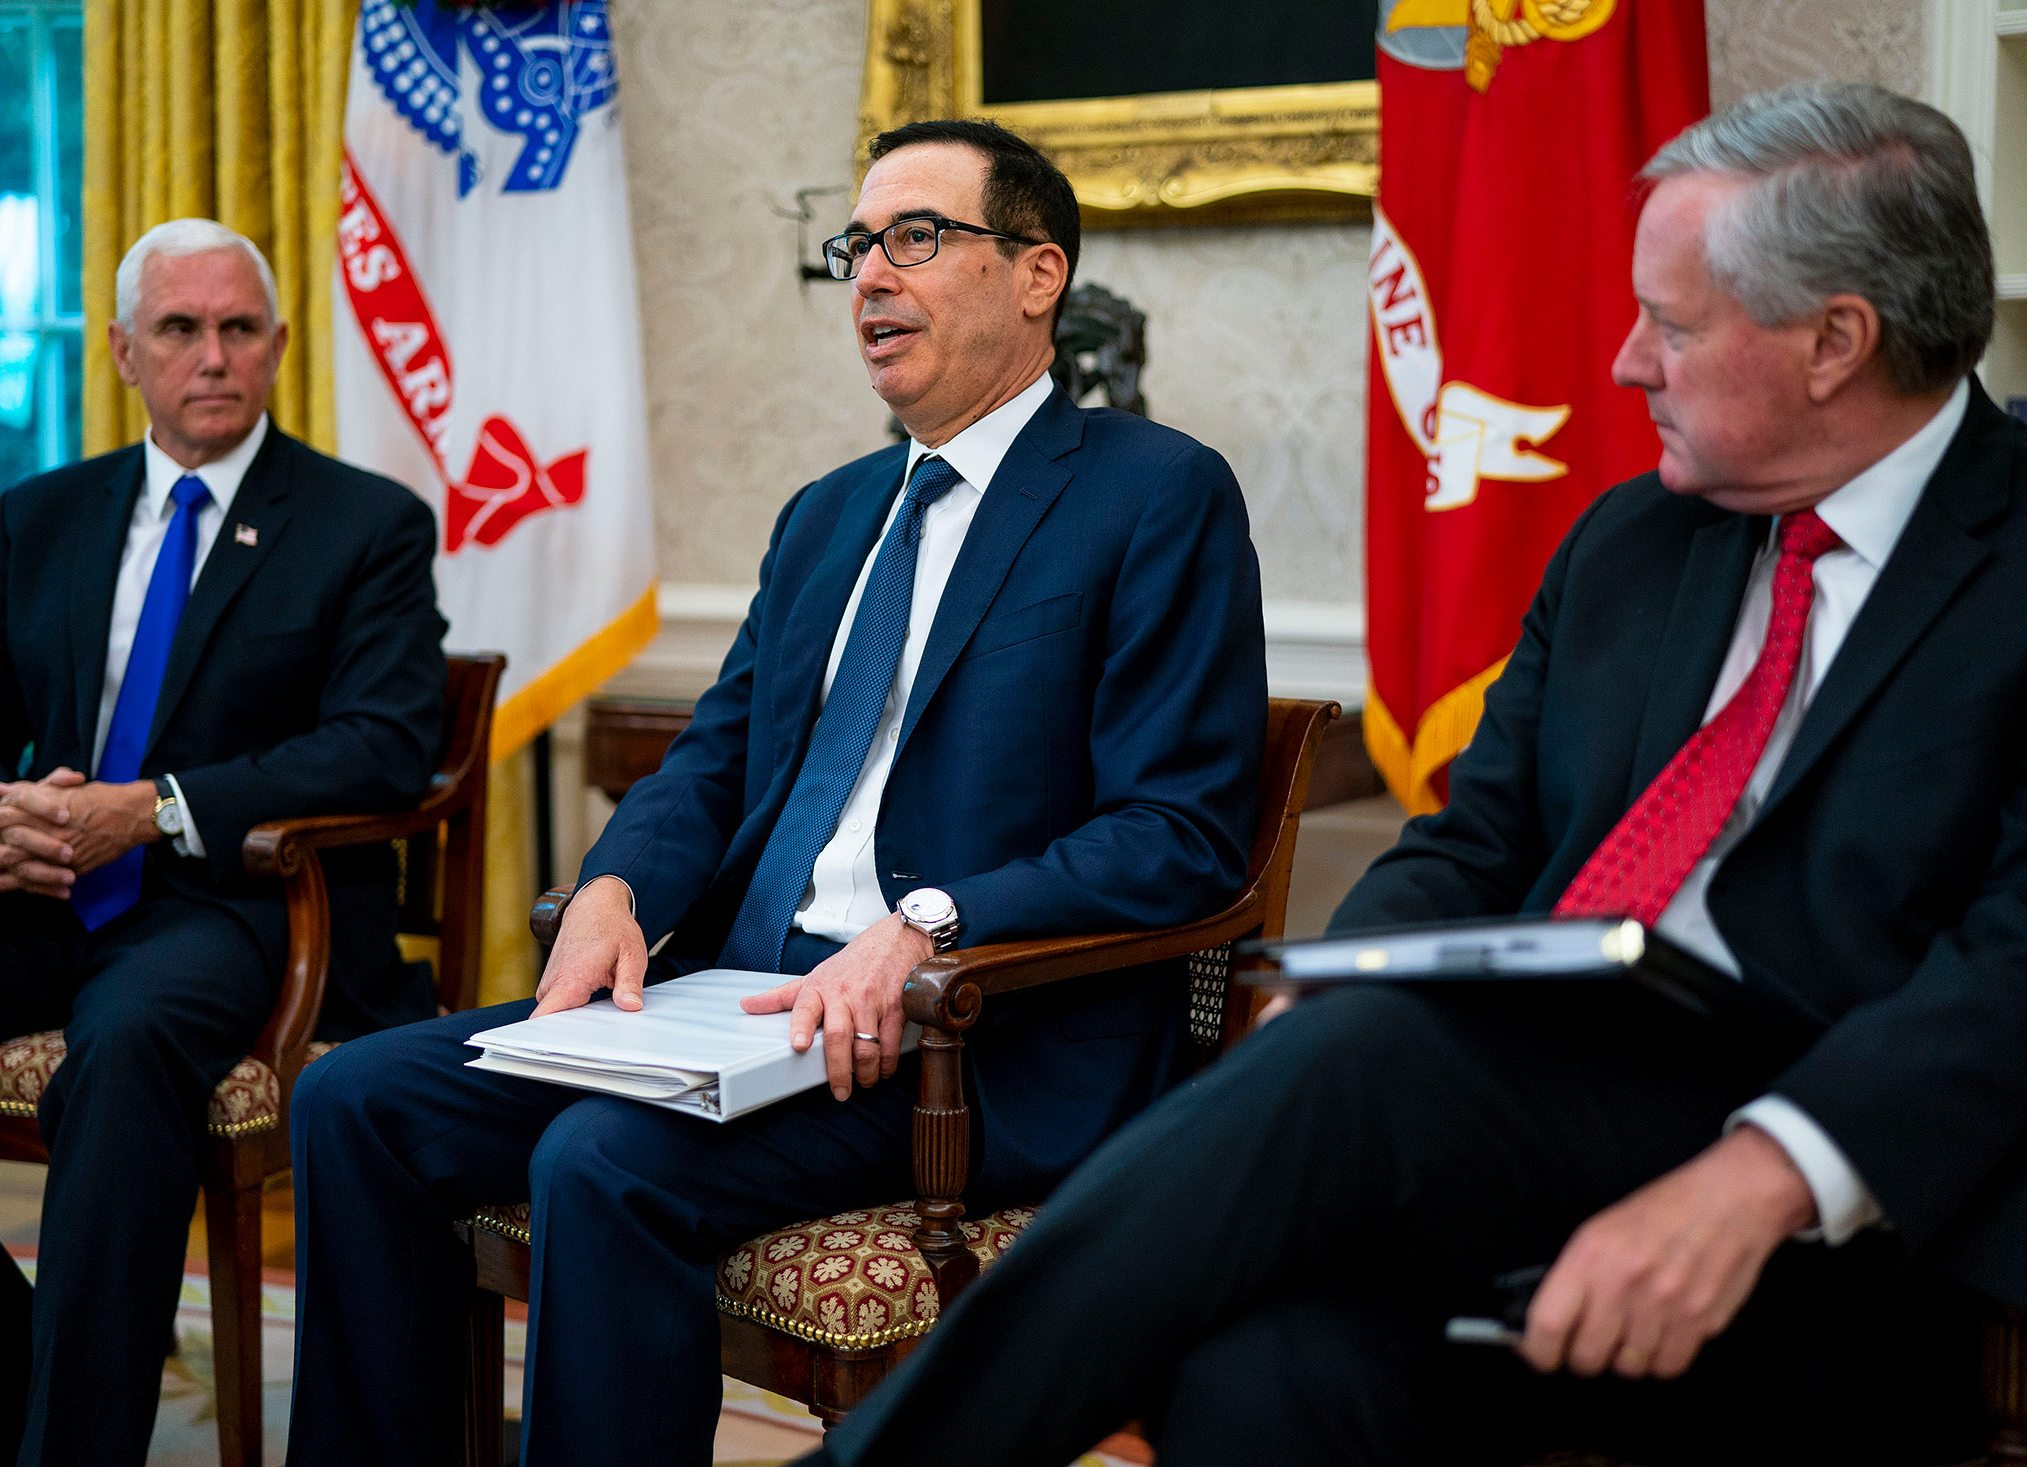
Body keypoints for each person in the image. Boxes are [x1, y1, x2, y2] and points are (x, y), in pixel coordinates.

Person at [808, 81, 2024, 1467]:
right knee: (1257, 1374)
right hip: (1499, 1137)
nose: (1625, 362)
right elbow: (1470, 842)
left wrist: (1761, 1175)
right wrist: (1316, 1013)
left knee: (1365, 1069)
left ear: (1836, 342)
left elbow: (2012, 964)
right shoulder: (1632, 542)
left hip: (1847, 1224)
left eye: (1672, 324)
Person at [285, 119, 1266, 1466]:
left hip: (965, 1035)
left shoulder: (1157, 494)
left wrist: (929, 921)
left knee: (595, 1160)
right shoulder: (829, 512)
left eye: (917, 237)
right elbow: (712, 755)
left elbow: (1180, 832)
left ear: (1038, 275)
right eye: (858, 244)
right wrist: (619, 881)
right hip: (738, 999)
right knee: (355, 1100)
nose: (870, 274)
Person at [0, 219, 449, 1467]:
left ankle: (76, 1445)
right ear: (124, 351)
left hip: (222, 906)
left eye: (237, 329)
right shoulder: (42, 513)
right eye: (179, 328)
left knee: (125, 1055)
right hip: (24, 895)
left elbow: (381, 743)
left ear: (276, 347)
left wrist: (154, 804)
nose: (211, 355)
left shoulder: (364, 523)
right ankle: (7, 1340)